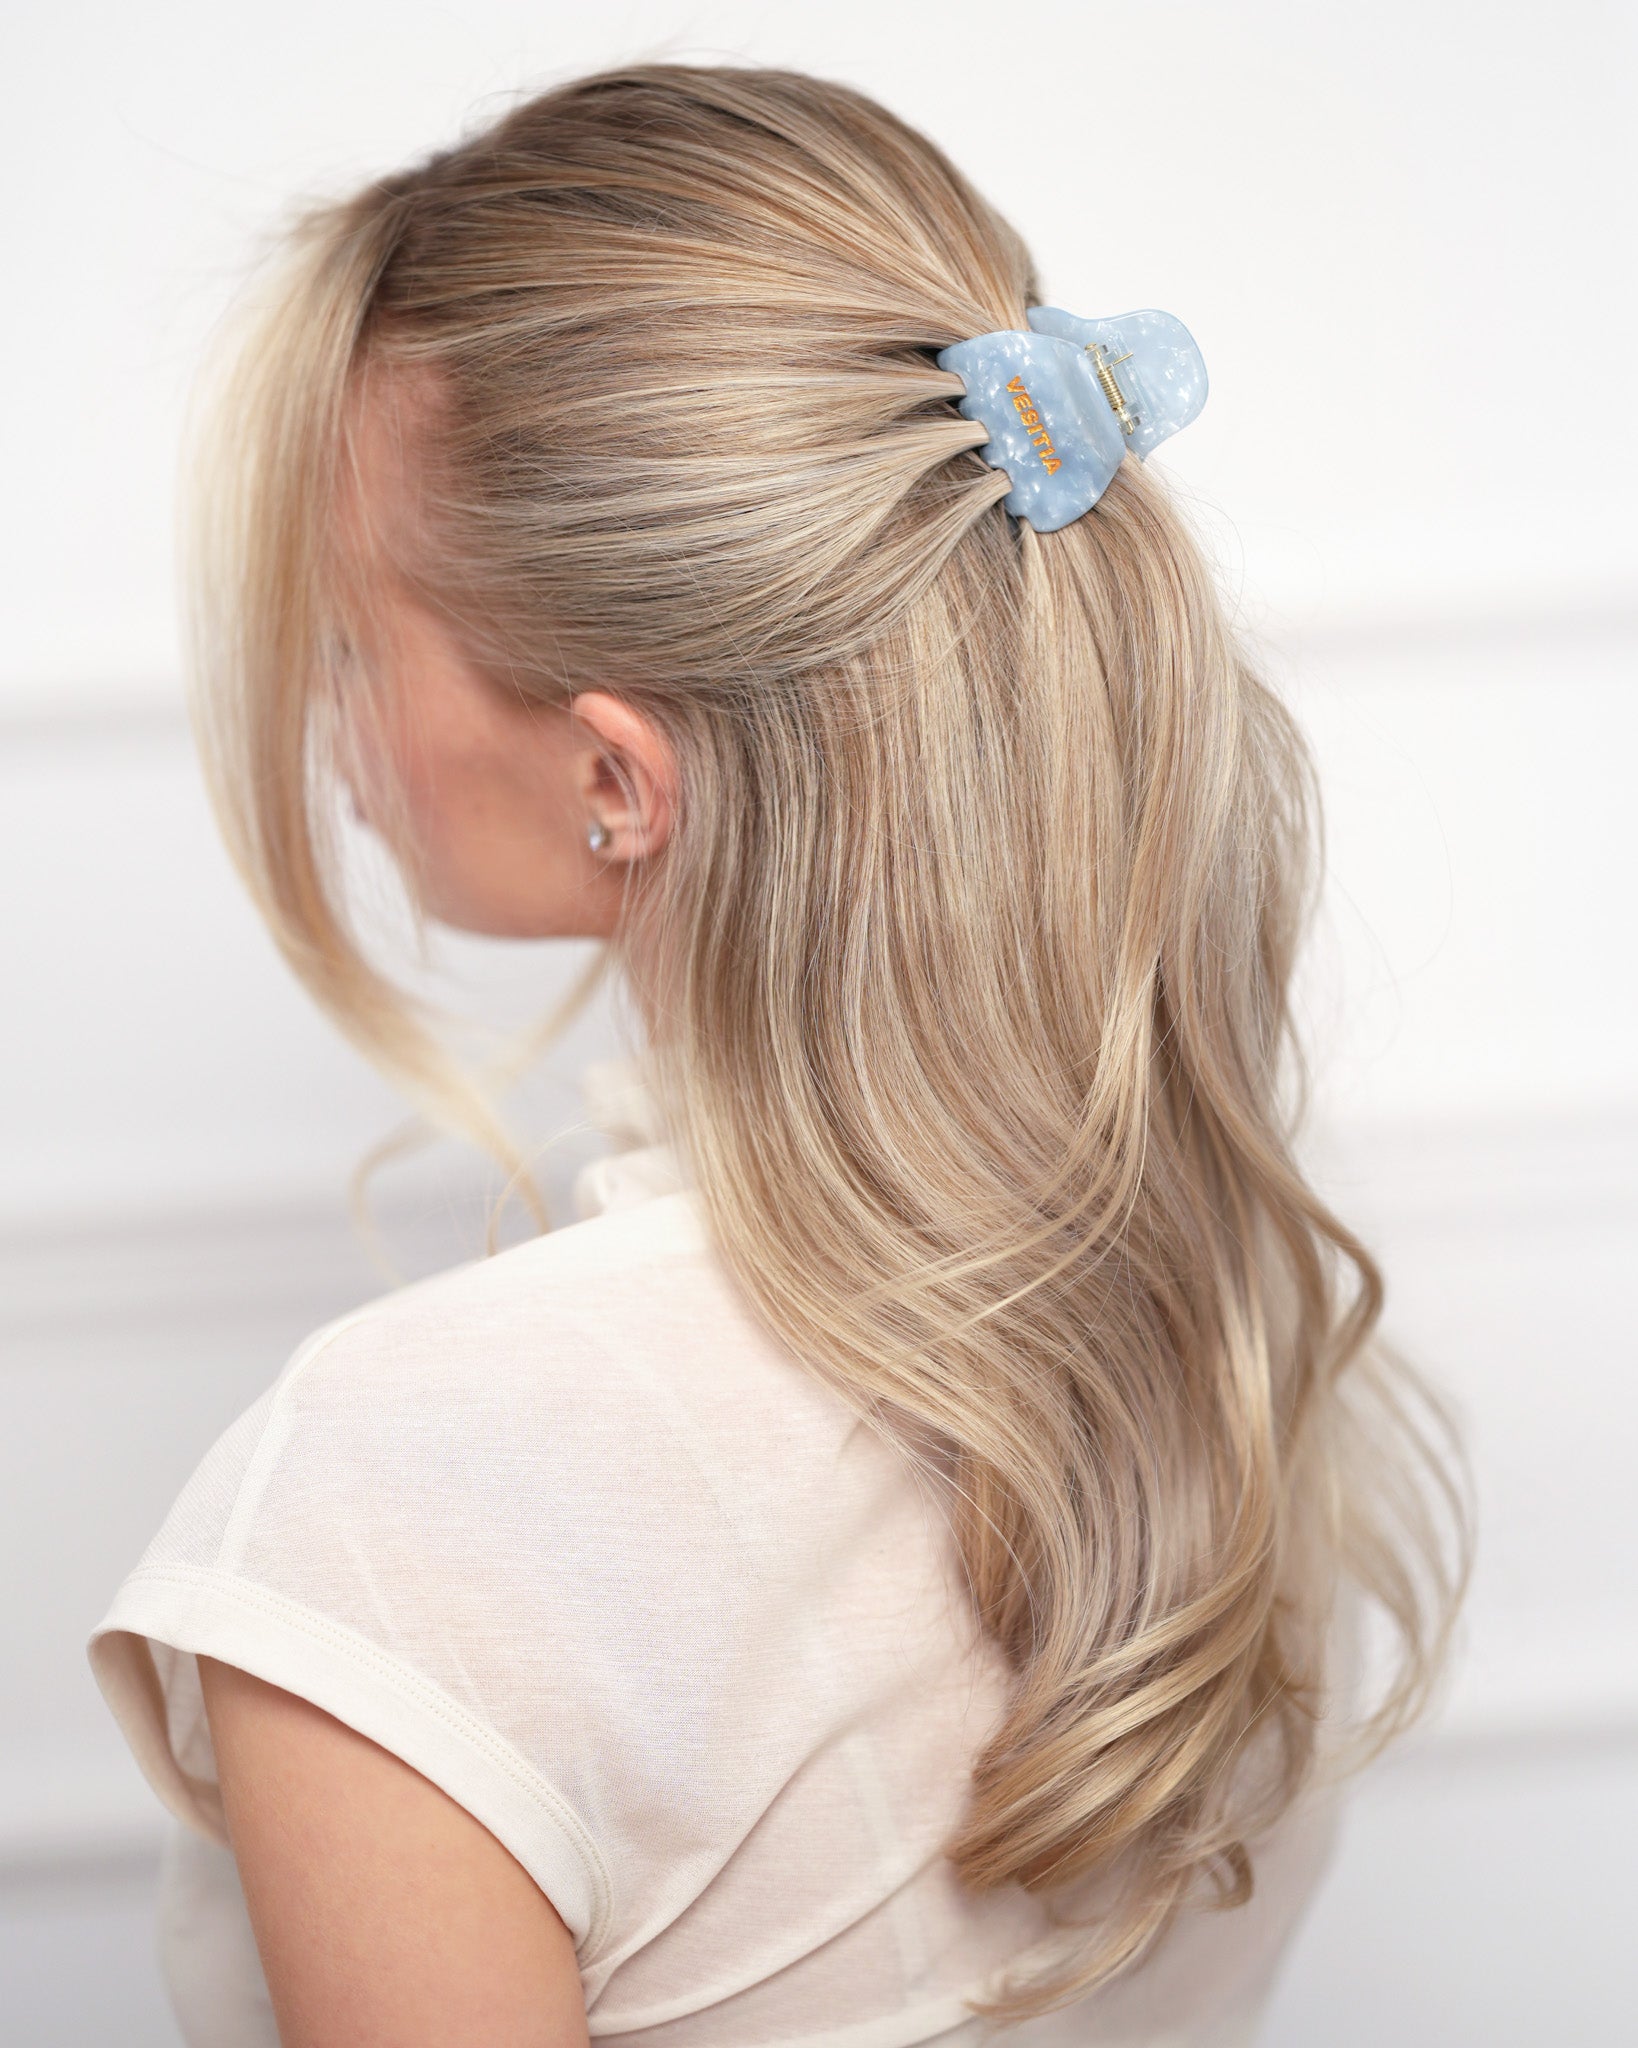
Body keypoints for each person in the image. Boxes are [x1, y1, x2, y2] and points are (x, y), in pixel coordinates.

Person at [87, 61, 1472, 2048]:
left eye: (344, 643)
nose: (333, 732)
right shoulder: (1223, 1338)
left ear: (611, 779)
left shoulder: (401, 1486)